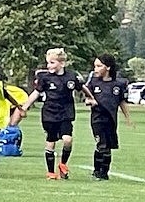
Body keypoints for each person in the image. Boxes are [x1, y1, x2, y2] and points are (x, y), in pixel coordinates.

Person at [20, 48, 96, 180]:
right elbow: (36, 92)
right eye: (48, 63)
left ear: (62, 63)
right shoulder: (45, 78)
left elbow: (82, 87)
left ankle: (63, 164)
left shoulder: (71, 76)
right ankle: (51, 172)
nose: (49, 66)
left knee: (68, 140)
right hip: (49, 113)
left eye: (52, 63)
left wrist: (90, 97)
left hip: (66, 113)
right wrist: (25, 106)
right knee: (51, 141)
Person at [84, 54, 132, 180]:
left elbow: (122, 102)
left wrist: (128, 118)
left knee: (108, 146)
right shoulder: (94, 83)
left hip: (111, 120)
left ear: (108, 67)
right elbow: (87, 98)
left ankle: (104, 172)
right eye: (95, 66)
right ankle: (97, 171)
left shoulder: (118, 84)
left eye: (99, 66)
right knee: (102, 144)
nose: (96, 69)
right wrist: (90, 102)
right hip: (97, 119)